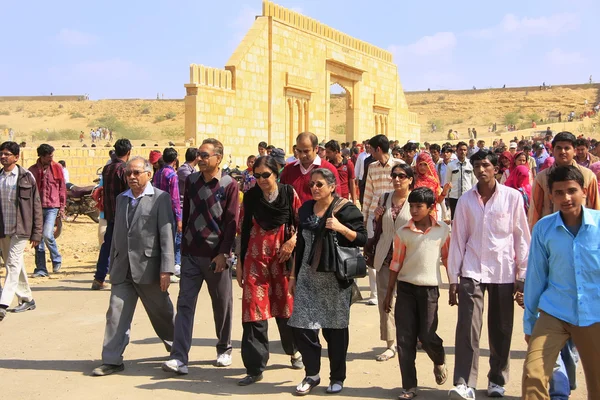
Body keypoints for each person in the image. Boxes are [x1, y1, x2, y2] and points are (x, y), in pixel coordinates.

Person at [447, 150, 530, 399]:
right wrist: (454, 278)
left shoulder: (512, 198)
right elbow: (458, 240)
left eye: (485, 165)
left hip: (503, 270)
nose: (481, 170)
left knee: (501, 328)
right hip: (472, 270)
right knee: (467, 328)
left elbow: (521, 237)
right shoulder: (465, 200)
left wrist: (522, 274)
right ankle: (464, 383)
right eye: (476, 166)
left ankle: (497, 379)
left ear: (496, 168)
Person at [91, 157, 176, 376]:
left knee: (162, 313)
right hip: (123, 268)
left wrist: (166, 268)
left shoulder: (160, 198)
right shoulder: (121, 199)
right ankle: (112, 359)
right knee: (116, 313)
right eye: (128, 173)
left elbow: (167, 235)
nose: (131, 177)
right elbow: (117, 235)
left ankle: (177, 349)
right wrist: (111, 265)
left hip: (150, 268)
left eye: (136, 173)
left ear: (149, 174)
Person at [522, 166, 600, 399]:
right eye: (559, 193)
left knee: (597, 385)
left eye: (571, 191)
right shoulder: (543, 228)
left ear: (583, 192)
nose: (566, 198)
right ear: (551, 196)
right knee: (533, 374)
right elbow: (536, 277)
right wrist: (529, 322)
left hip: (593, 314)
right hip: (554, 312)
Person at [288, 168, 367, 396]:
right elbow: (300, 247)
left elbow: (362, 238)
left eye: (319, 184)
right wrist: (293, 276)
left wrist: (341, 227)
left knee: (335, 332)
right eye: (312, 184)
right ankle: (312, 374)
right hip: (307, 277)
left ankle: (337, 377)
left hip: (335, 280)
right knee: (301, 327)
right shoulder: (305, 210)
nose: (314, 188)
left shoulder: (346, 210)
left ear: (332, 187)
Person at [163, 138, 239, 375]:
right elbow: (186, 215)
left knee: (221, 304)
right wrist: (183, 248)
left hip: (216, 256)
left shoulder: (229, 185)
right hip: (191, 254)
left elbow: (231, 223)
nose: (201, 159)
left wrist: (224, 254)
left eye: (205, 155)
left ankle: (224, 347)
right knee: (185, 304)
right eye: (199, 154)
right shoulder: (192, 180)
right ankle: (179, 357)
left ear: (219, 158)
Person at [236, 156, 303, 386]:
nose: (262, 180)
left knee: (285, 308)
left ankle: (294, 351)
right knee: (253, 311)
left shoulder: (288, 194)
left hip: (282, 262)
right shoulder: (252, 196)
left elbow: (302, 223)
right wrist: (239, 263)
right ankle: (254, 367)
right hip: (255, 262)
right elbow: (243, 229)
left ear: (276, 173)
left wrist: (292, 241)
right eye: (257, 176)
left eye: (266, 175)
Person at [383, 187, 450, 399]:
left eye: (418, 206)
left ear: (431, 208)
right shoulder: (403, 232)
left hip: (429, 290)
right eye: (411, 206)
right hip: (406, 289)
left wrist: (454, 285)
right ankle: (409, 386)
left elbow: (448, 259)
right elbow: (395, 263)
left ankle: (439, 360)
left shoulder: (442, 231)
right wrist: (388, 293)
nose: (413, 210)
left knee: (428, 335)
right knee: (405, 339)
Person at [366, 163, 413, 362]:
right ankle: (390, 344)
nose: (396, 179)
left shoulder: (417, 200)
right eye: (394, 176)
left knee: (408, 302)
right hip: (385, 257)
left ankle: (411, 338)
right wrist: (376, 218)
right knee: (386, 301)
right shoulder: (384, 197)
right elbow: (381, 227)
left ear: (410, 179)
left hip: (409, 259)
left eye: (401, 176)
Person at [0, 141, 42, 320]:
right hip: (3, 230)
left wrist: (37, 233)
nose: (3, 157)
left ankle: (3, 303)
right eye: (1, 153)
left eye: (7, 154)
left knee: (12, 264)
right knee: (16, 264)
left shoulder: (26, 177)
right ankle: (27, 299)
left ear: (16, 157)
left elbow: (36, 206)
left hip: (21, 229)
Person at [363, 134, 403, 305]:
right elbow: (368, 192)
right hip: (374, 215)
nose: (370, 152)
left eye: (371, 149)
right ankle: (374, 292)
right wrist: (364, 216)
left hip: (396, 216)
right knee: (373, 251)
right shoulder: (372, 167)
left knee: (397, 252)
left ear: (378, 149)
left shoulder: (400, 166)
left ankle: (395, 290)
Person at [529, 132, 600, 228]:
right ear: (552, 151)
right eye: (559, 148)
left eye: (567, 148)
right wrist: (534, 235)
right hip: (551, 233)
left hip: (582, 232)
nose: (563, 151)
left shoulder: (588, 176)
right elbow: (535, 211)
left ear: (574, 151)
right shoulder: (542, 178)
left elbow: (596, 207)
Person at [92, 139, 132, 290]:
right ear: (129, 152)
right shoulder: (124, 169)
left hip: (110, 213)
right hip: (124, 214)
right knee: (128, 246)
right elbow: (129, 192)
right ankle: (124, 278)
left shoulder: (107, 168)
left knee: (107, 246)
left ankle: (99, 278)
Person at [29, 144, 66, 277]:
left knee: (47, 234)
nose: (51, 158)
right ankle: (40, 268)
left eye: (52, 155)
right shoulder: (32, 171)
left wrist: (62, 207)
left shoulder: (57, 168)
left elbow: (62, 188)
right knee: (37, 238)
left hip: (52, 206)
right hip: (37, 207)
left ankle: (56, 258)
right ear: (42, 156)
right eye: (49, 156)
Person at [279, 132, 340, 203]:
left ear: (316, 148)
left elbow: (336, 198)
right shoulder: (288, 169)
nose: (302, 155)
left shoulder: (329, 169)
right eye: (299, 151)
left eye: (306, 151)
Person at [152, 148, 182, 282]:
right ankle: (169, 270)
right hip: (169, 211)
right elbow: (175, 198)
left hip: (158, 209)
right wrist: (179, 217)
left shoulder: (158, 173)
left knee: (160, 239)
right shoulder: (172, 175)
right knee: (170, 241)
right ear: (175, 160)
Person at [413, 152, 451, 221]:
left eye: (425, 164)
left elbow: (438, 201)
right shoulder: (413, 180)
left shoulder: (433, 181)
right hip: (416, 214)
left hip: (432, 214)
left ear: (429, 165)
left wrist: (444, 191)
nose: (422, 167)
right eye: (420, 164)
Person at [445, 142, 477, 220]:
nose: (462, 152)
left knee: (468, 219)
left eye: (464, 150)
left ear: (467, 151)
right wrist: (446, 196)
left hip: (468, 196)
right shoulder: (451, 165)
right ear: (457, 150)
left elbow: (474, 181)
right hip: (454, 197)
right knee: (455, 219)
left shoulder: (471, 164)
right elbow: (447, 181)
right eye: (460, 150)